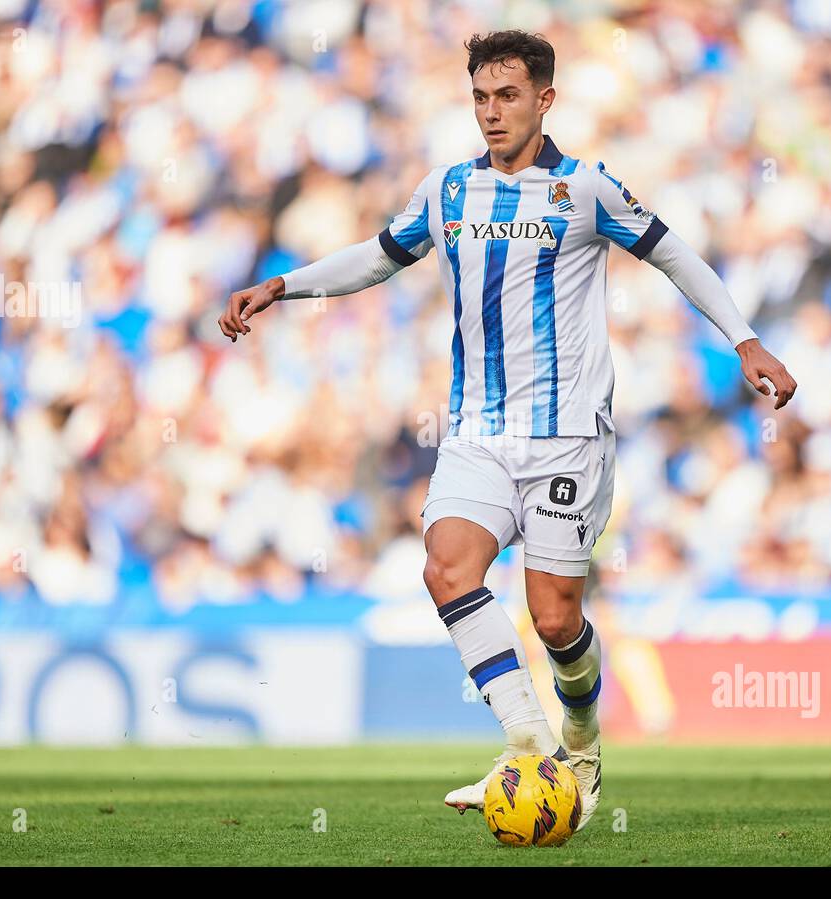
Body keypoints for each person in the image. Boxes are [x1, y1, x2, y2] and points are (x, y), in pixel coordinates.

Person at [217, 30, 797, 832]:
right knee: (447, 567)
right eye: (481, 98)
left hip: (568, 438)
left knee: (557, 619)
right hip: (478, 434)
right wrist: (284, 284)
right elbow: (377, 258)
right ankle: (531, 746)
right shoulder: (449, 191)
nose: (492, 113)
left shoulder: (585, 190)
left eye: (509, 96)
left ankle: (583, 739)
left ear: (545, 99)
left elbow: (677, 257)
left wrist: (745, 338)